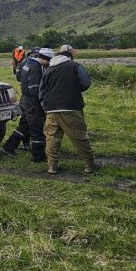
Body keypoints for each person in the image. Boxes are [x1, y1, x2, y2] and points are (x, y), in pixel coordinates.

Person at [41, 44, 96, 174]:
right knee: (79, 136)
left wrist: (46, 106)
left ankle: (52, 166)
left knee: (52, 138)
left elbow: (41, 91)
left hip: (51, 109)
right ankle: (89, 164)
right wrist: (75, 90)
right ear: (69, 57)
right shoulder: (74, 66)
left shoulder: (48, 70)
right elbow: (85, 83)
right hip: (70, 108)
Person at [18, 47, 53, 163]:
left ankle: (9, 147)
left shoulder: (28, 63)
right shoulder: (36, 68)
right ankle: (38, 156)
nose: (48, 64)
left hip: (25, 99)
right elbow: (34, 89)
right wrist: (41, 104)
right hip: (31, 102)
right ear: (45, 59)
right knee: (37, 129)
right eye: (48, 61)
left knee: (25, 125)